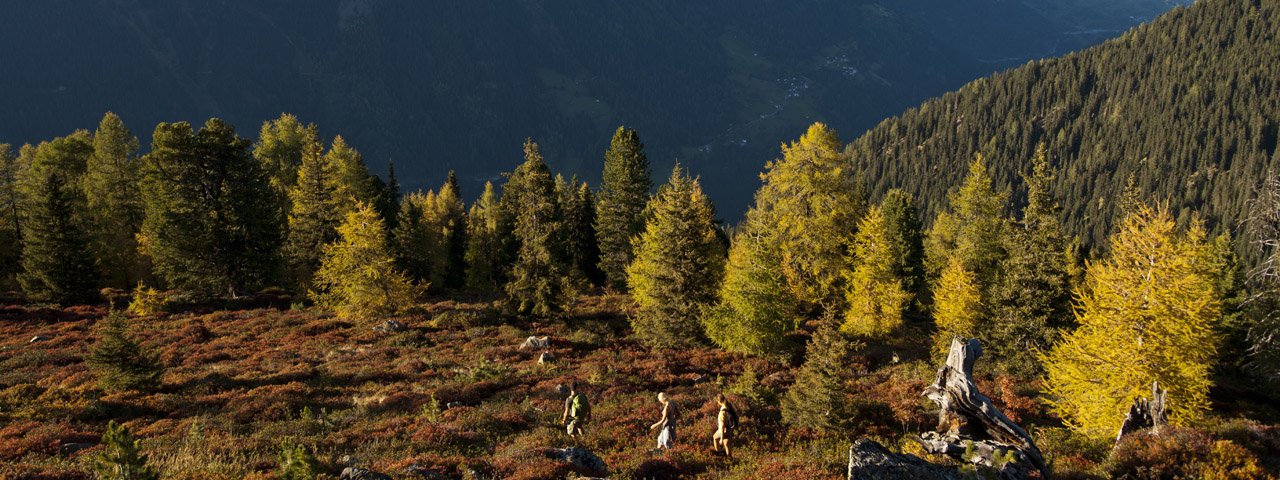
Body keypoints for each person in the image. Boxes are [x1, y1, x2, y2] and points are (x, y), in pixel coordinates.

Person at [712, 394, 739, 459]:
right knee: (727, 444)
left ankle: (718, 453)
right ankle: (730, 459)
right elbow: (736, 415)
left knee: (715, 437)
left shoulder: (722, 412)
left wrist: (721, 438)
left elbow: (722, 426)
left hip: (724, 430)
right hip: (731, 428)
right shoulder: (730, 405)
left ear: (719, 401)